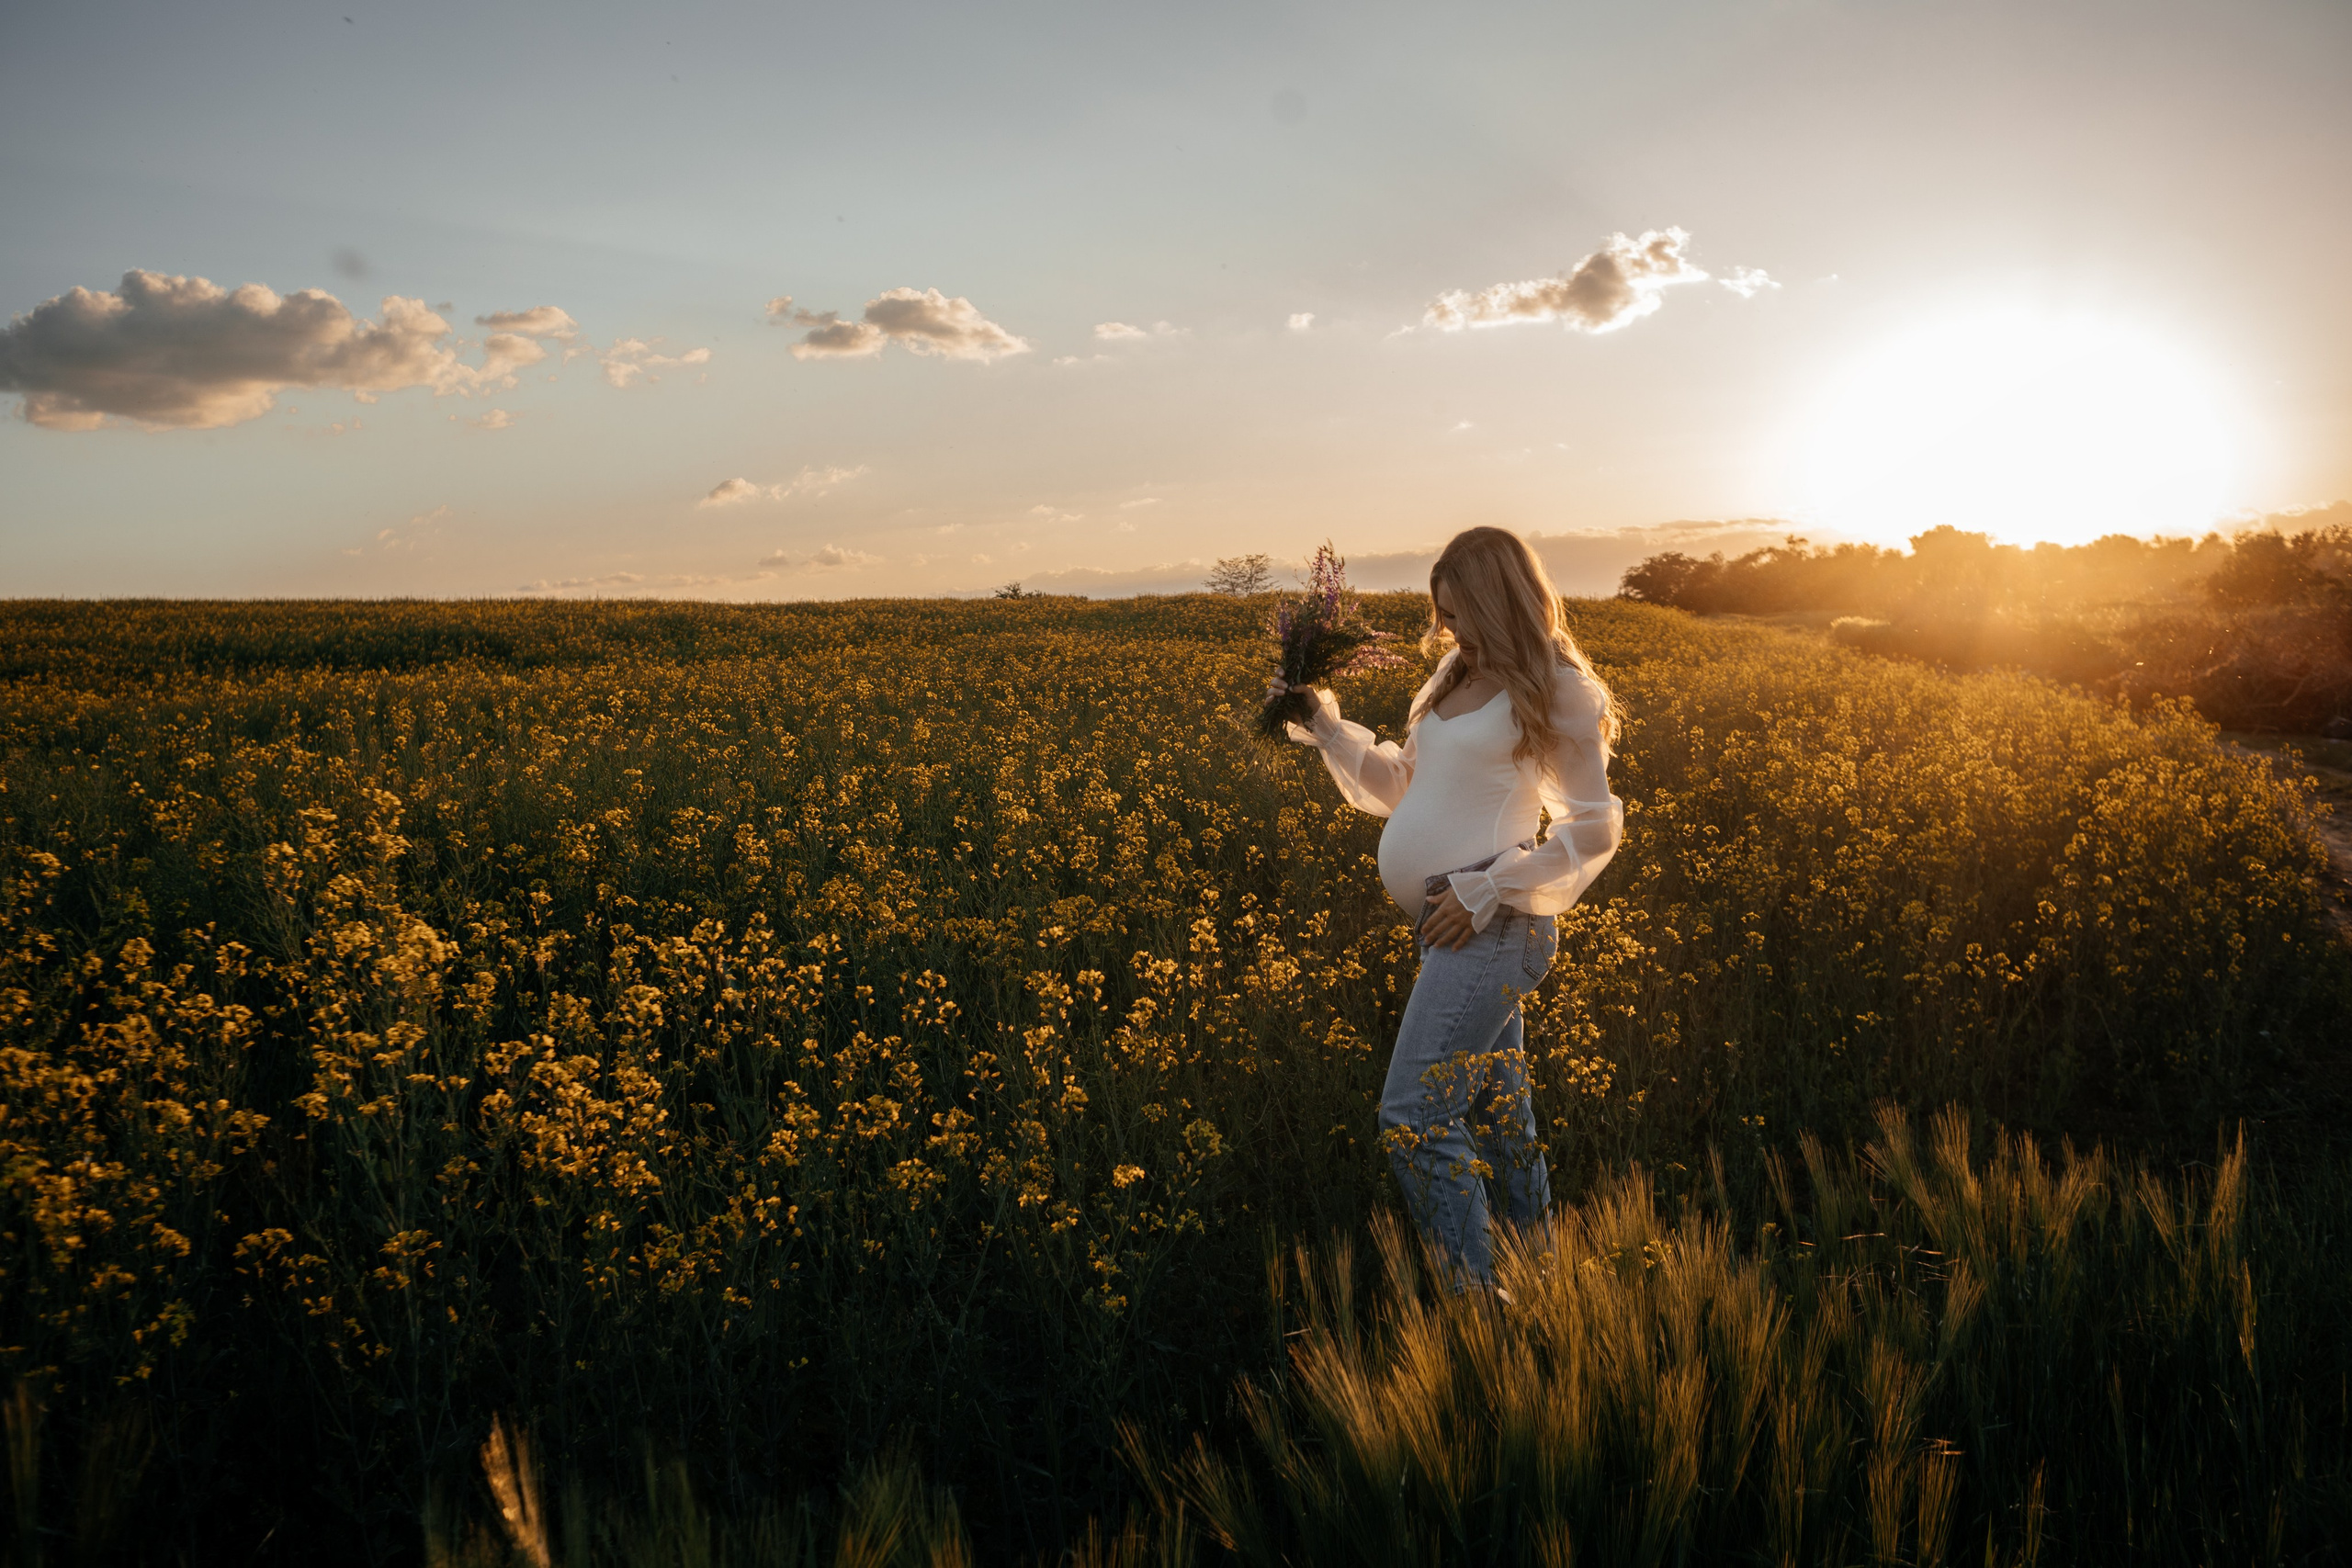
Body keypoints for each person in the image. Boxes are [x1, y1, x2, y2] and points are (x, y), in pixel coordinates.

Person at [1269, 526, 1624, 1292]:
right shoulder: (1450, 677)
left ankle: (1479, 1314)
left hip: (1494, 922)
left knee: (1415, 1118)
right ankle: (1543, 1294)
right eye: (1441, 613)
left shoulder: (1554, 686)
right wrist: (1325, 725)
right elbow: (1404, 784)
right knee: (1502, 1123)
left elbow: (1595, 827)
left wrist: (1490, 886)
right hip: (1448, 924)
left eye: (1459, 613)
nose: (1446, 628)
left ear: (1501, 601)